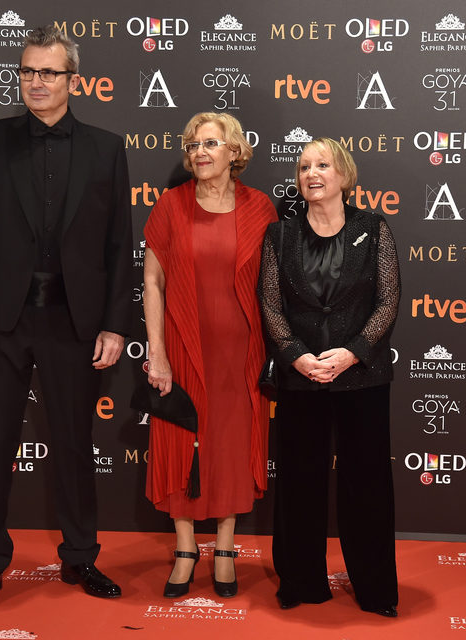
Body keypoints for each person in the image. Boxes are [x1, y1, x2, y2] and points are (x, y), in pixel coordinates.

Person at [0, 26, 132, 612]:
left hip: (73, 323)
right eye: (27, 71)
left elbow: (116, 247)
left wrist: (113, 324)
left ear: (71, 79)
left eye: (48, 72)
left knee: (76, 446)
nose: (36, 82)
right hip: (2, 323)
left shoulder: (106, 148)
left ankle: (81, 556)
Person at [257, 137, 400, 617]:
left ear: (344, 175)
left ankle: (375, 588)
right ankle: (300, 581)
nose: (311, 173)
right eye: (303, 167)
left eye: (322, 165)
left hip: (362, 377)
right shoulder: (280, 235)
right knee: (300, 481)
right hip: (302, 378)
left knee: (368, 484)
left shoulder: (373, 228)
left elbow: (388, 301)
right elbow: (271, 305)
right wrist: (296, 356)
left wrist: (353, 352)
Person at [143, 112, 276, 599]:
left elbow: (273, 286)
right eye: (193, 144)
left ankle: (223, 548)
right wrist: (157, 352)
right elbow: (153, 282)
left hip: (241, 352)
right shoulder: (171, 205)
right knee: (181, 439)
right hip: (181, 344)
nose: (199, 152)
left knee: (231, 443)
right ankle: (183, 549)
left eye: (211, 143)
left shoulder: (260, 207)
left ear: (235, 153)